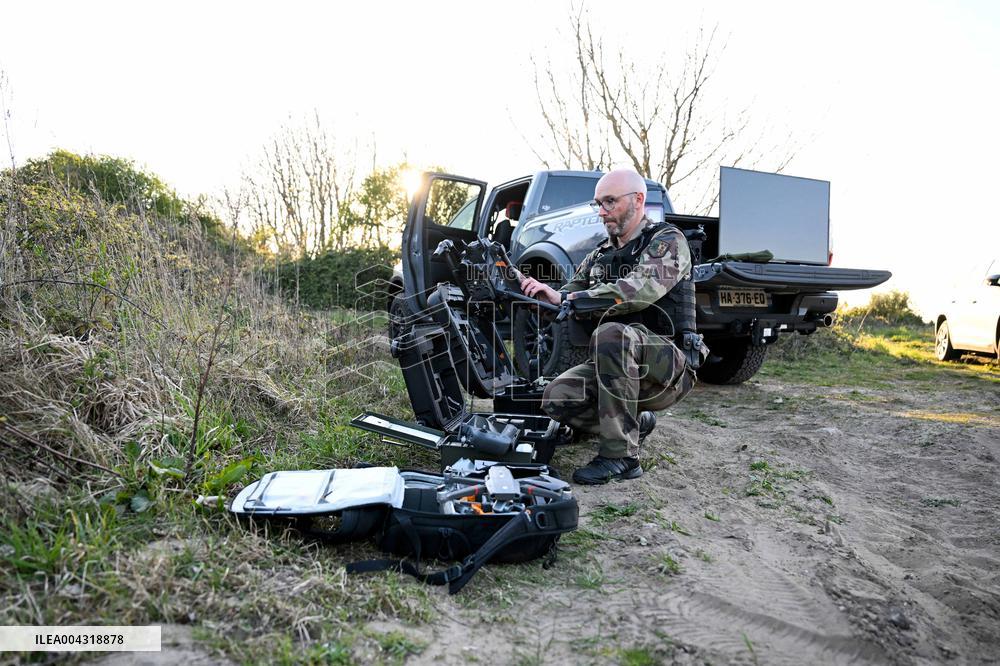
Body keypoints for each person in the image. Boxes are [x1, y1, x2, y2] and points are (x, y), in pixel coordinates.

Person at [519, 169, 707, 485]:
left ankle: (621, 456)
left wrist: (572, 298)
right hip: (616, 362)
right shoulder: (599, 255)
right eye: (599, 204)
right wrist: (541, 295)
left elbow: (637, 291)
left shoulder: (668, 241)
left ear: (638, 200)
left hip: (668, 367)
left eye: (610, 202)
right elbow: (567, 297)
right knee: (555, 397)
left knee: (611, 335)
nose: (603, 212)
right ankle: (635, 423)